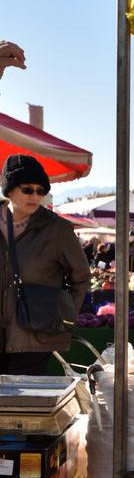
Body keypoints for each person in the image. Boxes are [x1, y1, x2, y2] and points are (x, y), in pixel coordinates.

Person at [0, 154, 90, 375]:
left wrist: (63, 316)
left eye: (41, 190)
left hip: (34, 333)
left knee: (23, 402)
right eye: (27, 189)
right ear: (9, 190)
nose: (35, 196)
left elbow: (81, 277)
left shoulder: (57, 229)